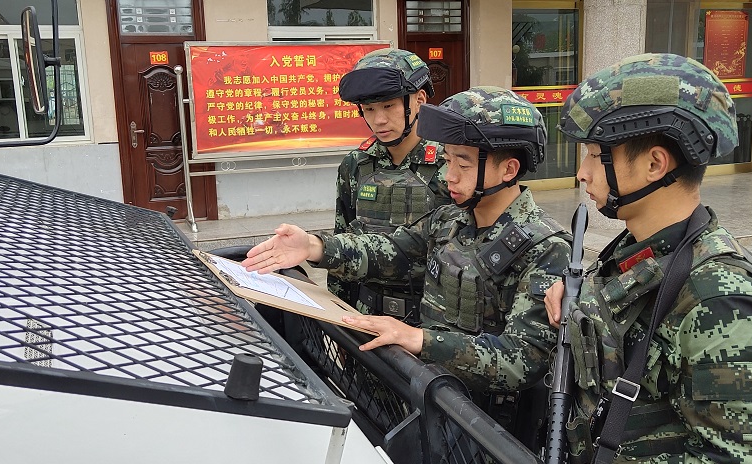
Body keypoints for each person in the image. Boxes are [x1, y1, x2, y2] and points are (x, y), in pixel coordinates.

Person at [543, 53, 752, 462]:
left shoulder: (721, 302)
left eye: (594, 154)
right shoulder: (641, 247)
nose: (582, 173)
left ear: (654, 164)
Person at [242, 86, 571, 397]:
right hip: (429, 398)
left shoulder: (547, 247)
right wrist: (313, 246)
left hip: (485, 427)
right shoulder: (449, 220)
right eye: (448, 160)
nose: (449, 175)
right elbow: (390, 252)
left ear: (509, 169)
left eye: (464, 164)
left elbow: (524, 358)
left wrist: (419, 340)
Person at [330, 48, 451, 325]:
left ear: (419, 100)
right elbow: (343, 239)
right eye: (369, 110)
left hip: (429, 323)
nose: (379, 120)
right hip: (365, 317)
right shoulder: (356, 165)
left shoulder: (451, 163)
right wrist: (339, 319)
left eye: (389, 106)